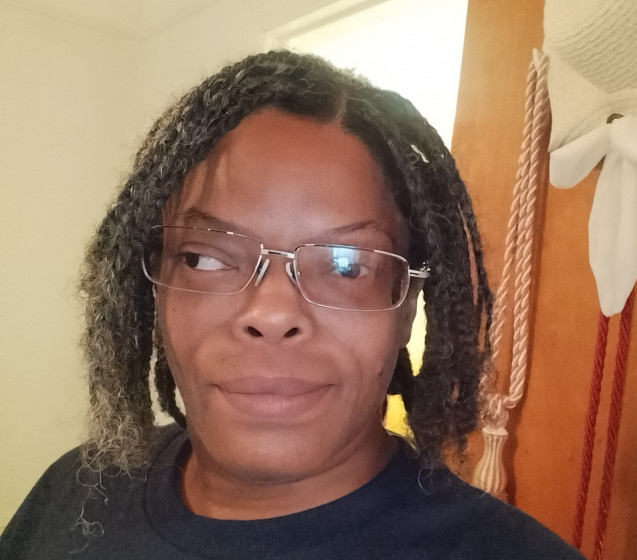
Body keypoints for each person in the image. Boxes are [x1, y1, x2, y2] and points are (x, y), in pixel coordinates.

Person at [1, 50, 583, 559]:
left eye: (347, 265)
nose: (273, 314)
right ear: (155, 288)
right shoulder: (76, 490)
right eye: (204, 257)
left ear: (407, 305)